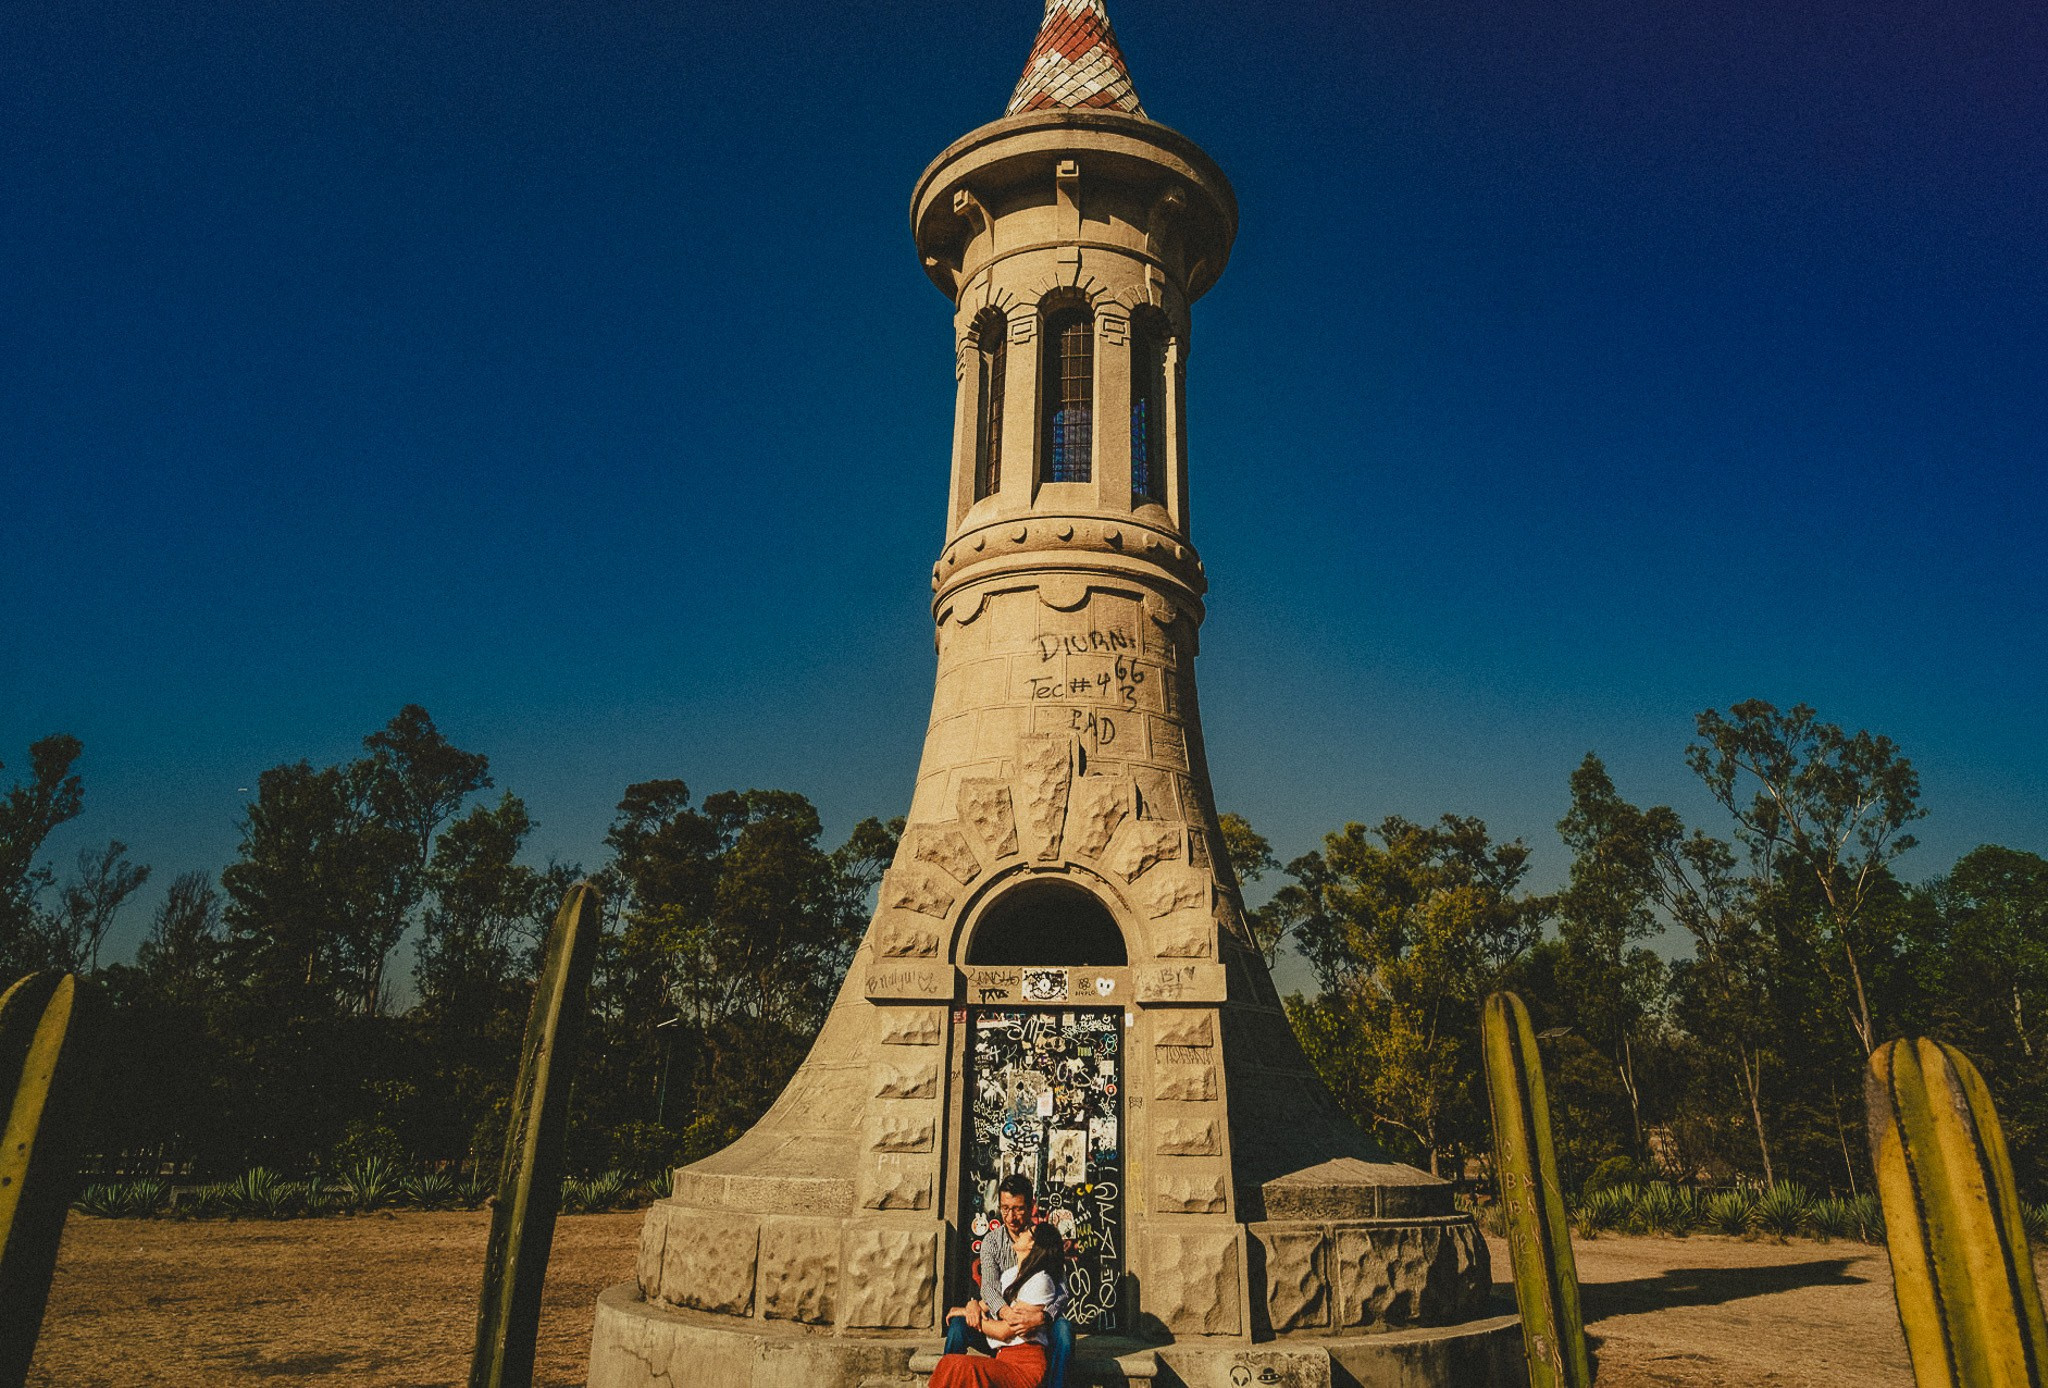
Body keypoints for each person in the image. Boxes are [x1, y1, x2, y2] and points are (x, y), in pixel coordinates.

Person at [929, 1218, 1066, 1388]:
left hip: (1025, 1365)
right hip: (1003, 1358)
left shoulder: (1041, 1281)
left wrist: (973, 1318)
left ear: (1032, 1245)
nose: (1022, 1231)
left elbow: (1003, 1332)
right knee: (949, 1362)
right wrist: (971, 1307)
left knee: (961, 1367)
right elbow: (986, 1303)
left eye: (1028, 1232)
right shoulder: (1009, 1275)